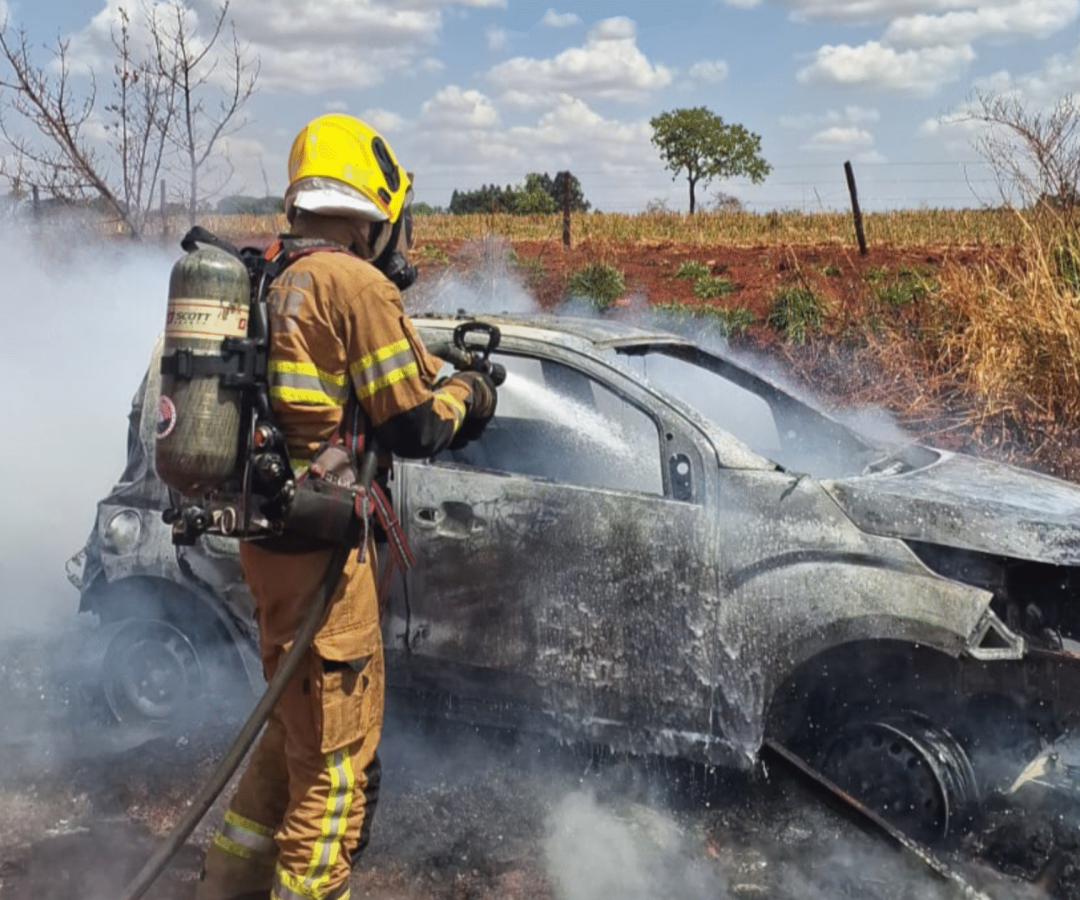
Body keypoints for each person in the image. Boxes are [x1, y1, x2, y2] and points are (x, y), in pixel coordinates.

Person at [196, 113, 498, 900]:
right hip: (324, 564)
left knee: (289, 738)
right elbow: (413, 423)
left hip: (271, 547)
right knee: (335, 773)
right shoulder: (354, 282)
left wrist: (426, 362)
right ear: (376, 208)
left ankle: (222, 889)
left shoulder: (273, 274)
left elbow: (335, 384)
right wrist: (473, 393)